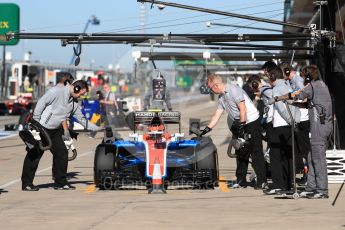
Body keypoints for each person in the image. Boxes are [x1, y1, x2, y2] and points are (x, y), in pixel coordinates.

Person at [21, 80, 101, 191]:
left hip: (55, 131)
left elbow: (82, 120)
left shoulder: (74, 103)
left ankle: (60, 183)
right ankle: (26, 183)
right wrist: (36, 122)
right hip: (42, 127)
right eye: (81, 93)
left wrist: (98, 128)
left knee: (62, 152)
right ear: (76, 88)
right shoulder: (57, 92)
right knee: (35, 154)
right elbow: (41, 102)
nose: (81, 96)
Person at [272, 65, 332, 199]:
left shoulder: (313, 86)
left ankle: (322, 190)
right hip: (321, 125)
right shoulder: (319, 85)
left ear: (309, 76)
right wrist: (293, 104)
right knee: (311, 157)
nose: (303, 78)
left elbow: (297, 95)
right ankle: (311, 187)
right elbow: (308, 103)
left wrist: (279, 98)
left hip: (319, 126)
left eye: (305, 75)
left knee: (318, 159)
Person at [200, 73, 267, 190]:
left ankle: (262, 181)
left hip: (250, 121)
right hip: (240, 123)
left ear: (215, 86)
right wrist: (207, 128)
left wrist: (242, 127)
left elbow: (243, 109)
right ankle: (241, 180)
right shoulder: (222, 97)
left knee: (255, 151)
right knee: (240, 151)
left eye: (211, 89)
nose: (211, 91)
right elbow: (217, 114)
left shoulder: (234, 90)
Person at [264, 67, 301, 195]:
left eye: (268, 76)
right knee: (287, 157)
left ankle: (279, 185)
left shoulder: (277, 89)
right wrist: (295, 121)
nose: (267, 79)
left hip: (281, 126)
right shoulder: (287, 86)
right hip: (289, 125)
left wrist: (291, 121)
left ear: (273, 77)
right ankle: (288, 183)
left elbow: (281, 108)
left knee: (276, 156)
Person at [278, 63, 310, 182]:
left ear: (286, 71)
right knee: (299, 150)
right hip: (298, 118)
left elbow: (305, 96)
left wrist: (291, 98)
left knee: (305, 150)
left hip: (303, 119)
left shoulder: (298, 81)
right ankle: (305, 174)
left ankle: (308, 176)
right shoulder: (291, 81)